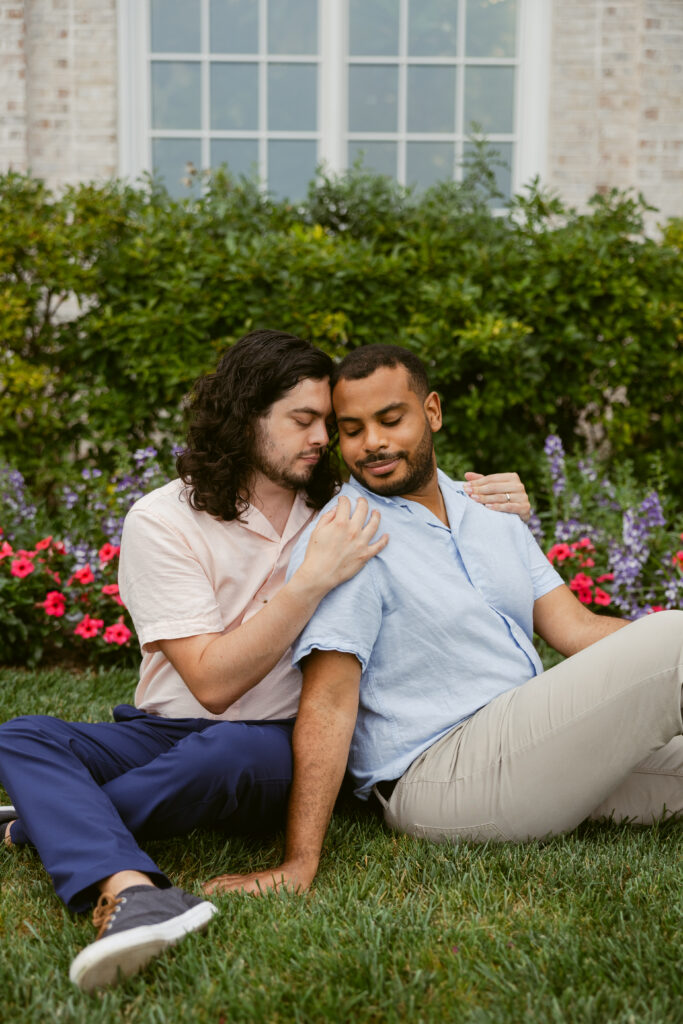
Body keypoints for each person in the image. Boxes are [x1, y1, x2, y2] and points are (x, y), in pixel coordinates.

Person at [0, 330, 530, 992]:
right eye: (302, 421)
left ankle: (55, 826)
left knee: (221, 757)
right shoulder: (163, 519)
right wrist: (307, 581)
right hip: (164, 725)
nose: (320, 439)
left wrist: (499, 502)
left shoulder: (345, 509)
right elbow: (213, 683)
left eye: (324, 424)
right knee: (25, 735)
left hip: (278, 743)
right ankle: (130, 884)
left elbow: (437, 516)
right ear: (245, 418)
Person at [205, 344, 683, 899]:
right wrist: (298, 861)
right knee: (673, 636)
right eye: (352, 429)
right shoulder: (347, 535)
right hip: (438, 778)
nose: (373, 444)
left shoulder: (488, 509)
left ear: (431, 411)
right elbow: (330, 698)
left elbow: (575, 628)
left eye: (390, 419)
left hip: (533, 750)